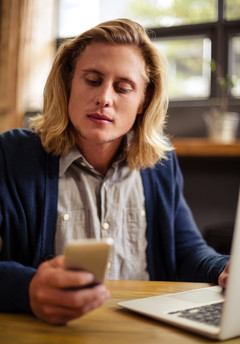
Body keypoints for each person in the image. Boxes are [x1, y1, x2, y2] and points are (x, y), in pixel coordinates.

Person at [0, 19, 230, 325]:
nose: (105, 98)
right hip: (51, 334)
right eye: (92, 80)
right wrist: (27, 288)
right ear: (69, 84)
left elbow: (186, 249)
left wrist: (225, 269)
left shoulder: (160, 164)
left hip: (147, 331)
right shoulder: (12, 155)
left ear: (143, 101)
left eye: (123, 88)